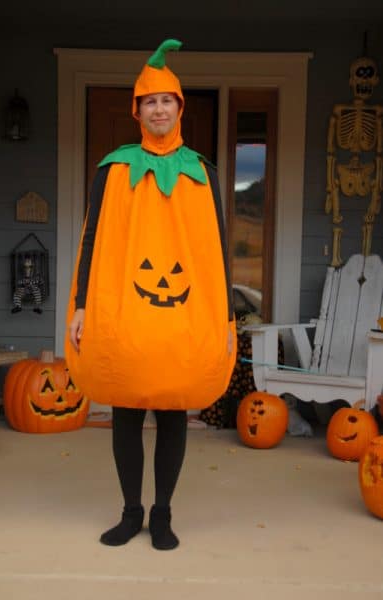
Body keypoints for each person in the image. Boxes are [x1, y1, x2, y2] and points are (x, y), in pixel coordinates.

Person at [66, 39, 236, 551]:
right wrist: (80, 306)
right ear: (136, 110)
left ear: (180, 107)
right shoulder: (112, 170)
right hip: (123, 311)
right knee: (124, 409)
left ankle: (162, 514)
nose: (158, 109)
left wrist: (226, 319)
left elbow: (217, 252)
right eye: (149, 101)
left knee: (171, 412)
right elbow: (93, 239)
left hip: (180, 316)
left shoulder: (202, 173)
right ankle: (131, 512)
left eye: (168, 100)